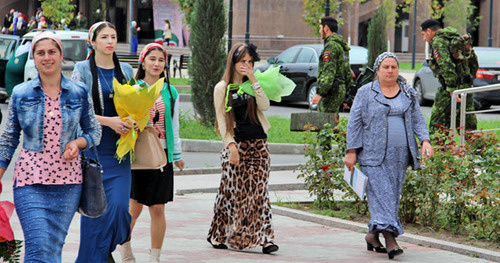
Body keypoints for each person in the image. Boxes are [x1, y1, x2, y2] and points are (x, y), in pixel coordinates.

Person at [0, 31, 101, 262]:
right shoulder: (21, 93)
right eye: (41, 53)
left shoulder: (78, 92)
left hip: (68, 184)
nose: (47, 57)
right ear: (33, 58)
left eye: (52, 52)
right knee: (38, 248)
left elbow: (94, 131)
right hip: (30, 182)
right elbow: (9, 139)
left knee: (53, 249)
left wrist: (77, 142)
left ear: (61, 55)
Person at [344, 52, 433, 260]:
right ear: (377, 70)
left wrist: (425, 140)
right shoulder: (366, 92)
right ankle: (391, 241)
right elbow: (354, 122)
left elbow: (418, 118)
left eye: (393, 67)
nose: (390, 71)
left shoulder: (407, 92)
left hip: (401, 155)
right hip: (372, 156)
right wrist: (351, 151)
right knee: (382, 196)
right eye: (386, 67)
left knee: (390, 199)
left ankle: (372, 236)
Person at [71, 21, 134, 262]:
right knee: (94, 214)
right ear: (93, 41)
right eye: (104, 37)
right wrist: (110, 122)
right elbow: (76, 109)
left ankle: (103, 252)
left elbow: (134, 105)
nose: (110, 41)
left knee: (119, 209)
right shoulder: (82, 69)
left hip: (120, 152)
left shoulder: (126, 70)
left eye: (113, 36)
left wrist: (133, 122)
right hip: (94, 152)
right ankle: (97, 257)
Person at [207, 43, 279, 254]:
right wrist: (231, 147)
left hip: (259, 144)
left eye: (250, 62)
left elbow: (264, 106)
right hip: (236, 145)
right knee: (230, 193)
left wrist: (255, 80)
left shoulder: (252, 84)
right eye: (242, 62)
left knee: (259, 193)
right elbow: (221, 119)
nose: (246, 65)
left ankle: (265, 238)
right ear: (233, 62)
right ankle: (219, 233)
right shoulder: (222, 87)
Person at [119, 43, 184, 263]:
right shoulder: (132, 87)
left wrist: (177, 155)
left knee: (158, 208)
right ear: (143, 61)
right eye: (152, 59)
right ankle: (125, 252)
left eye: (160, 60)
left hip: (161, 156)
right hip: (137, 156)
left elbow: (174, 125)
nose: (156, 64)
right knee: (133, 208)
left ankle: (154, 256)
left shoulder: (171, 91)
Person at [420, 19, 479, 133]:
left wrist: (452, 89)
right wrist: (469, 79)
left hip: (449, 90)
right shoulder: (457, 38)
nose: (424, 39)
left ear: (429, 31)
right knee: (467, 125)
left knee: (438, 124)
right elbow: (473, 61)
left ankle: (439, 149)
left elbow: (446, 65)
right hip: (466, 87)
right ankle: (476, 149)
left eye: (423, 35)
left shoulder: (438, 41)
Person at [312, 16, 353, 114]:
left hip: (332, 91)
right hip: (340, 90)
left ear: (326, 28)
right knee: (333, 121)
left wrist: (319, 92)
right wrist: (347, 93)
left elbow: (328, 71)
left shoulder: (331, 46)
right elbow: (347, 70)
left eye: (320, 28)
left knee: (326, 123)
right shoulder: (341, 45)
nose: (319, 31)